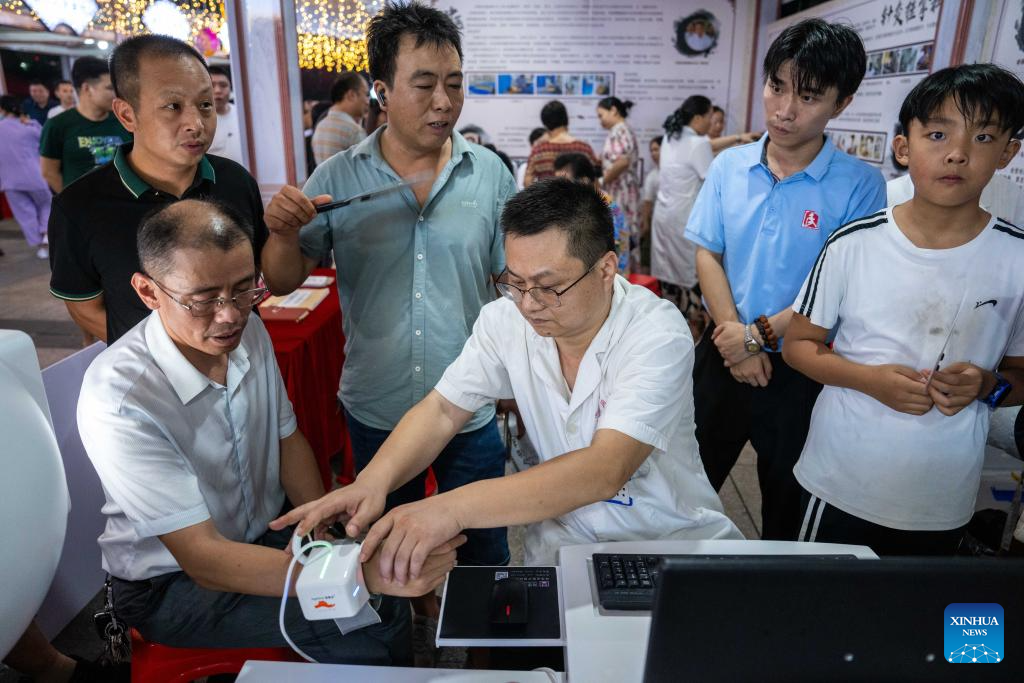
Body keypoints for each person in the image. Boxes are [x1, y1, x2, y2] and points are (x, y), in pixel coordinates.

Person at [271, 179, 742, 580]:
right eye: (514, 281)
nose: (528, 303)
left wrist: (449, 508)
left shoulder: (656, 330)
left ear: (605, 269)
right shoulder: (506, 320)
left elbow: (604, 469)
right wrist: (372, 481)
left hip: (664, 540)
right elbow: (442, 409)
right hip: (564, 538)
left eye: (548, 286)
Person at [76, 198, 459, 662]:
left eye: (244, 289)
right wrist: (357, 575)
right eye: (203, 299)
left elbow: (288, 439)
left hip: (261, 535)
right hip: (170, 584)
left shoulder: (248, 334)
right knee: (364, 615)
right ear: (148, 292)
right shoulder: (120, 398)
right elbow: (204, 560)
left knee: (376, 589)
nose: (230, 315)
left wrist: (324, 527)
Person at [259, 1, 515, 658]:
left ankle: (493, 664)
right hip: (376, 403)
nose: (444, 101)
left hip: (469, 408)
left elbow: (508, 282)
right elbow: (284, 279)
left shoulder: (489, 175)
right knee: (379, 557)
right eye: (424, 83)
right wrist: (282, 231)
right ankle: (395, 662)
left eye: (454, 82)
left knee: (485, 553)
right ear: (382, 87)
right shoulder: (339, 177)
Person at [783, 64, 1024, 555]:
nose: (957, 152)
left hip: (943, 493)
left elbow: (1017, 376)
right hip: (839, 481)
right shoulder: (854, 244)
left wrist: (987, 385)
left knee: (915, 621)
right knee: (819, 616)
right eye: (938, 134)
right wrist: (868, 379)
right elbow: (798, 345)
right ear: (903, 147)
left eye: (983, 136)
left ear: (1008, 153)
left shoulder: (1016, 259)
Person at [684, 18, 886, 540]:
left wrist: (759, 337)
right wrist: (734, 339)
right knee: (686, 487)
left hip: (802, 367)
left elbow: (837, 289)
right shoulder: (729, 167)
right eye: (777, 86)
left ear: (841, 104)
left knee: (786, 504)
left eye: (809, 96)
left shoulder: (861, 186)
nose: (784, 109)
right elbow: (709, 253)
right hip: (722, 351)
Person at [48, 35, 268, 345]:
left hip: (244, 363)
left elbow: (259, 277)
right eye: (173, 106)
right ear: (127, 114)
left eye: (205, 105)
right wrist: (168, 358)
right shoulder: (79, 207)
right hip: (156, 382)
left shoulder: (234, 180)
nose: (196, 123)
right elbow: (85, 308)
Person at [651, 96, 714, 324]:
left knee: (669, 273)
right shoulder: (699, 143)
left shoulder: (670, 137)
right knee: (690, 273)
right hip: (685, 217)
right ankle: (692, 328)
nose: (711, 122)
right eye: (709, 117)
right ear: (698, 118)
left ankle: (668, 323)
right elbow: (711, 181)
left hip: (664, 215)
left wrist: (736, 138)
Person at [39, 57, 131, 192]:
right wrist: (73, 203)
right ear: (87, 88)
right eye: (110, 88)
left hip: (124, 203)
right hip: (82, 207)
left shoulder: (124, 120)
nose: (117, 94)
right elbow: (49, 172)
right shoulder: (57, 125)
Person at [553, 152, 628, 273]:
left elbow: (612, 255)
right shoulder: (585, 201)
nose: (560, 190)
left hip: (610, 277)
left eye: (565, 184)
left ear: (584, 181)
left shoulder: (602, 206)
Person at [0, 95, 51, 259]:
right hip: (35, 175)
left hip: (9, 181)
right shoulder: (31, 126)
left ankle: (39, 245)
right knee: (46, 204)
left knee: (24, 213)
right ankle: (46, 238)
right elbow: (45, 143)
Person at [887, 167, 1024, 227]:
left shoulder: (1010, 192)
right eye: (938, 136)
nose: (956, 154)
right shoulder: (891, 193)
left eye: (981, 138)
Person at [597, 96, 640, 254]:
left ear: (613, 110)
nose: (600, 121)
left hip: (622, 191)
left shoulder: (620, 130)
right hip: (620, 189)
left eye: (601, 115)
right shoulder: (619, 131)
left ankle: (623, 274)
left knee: (621, 233)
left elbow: (622, 162)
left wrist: (601, 181)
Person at [524, 100, 599, 186]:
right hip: (579, 198)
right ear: (567, 119)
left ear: (545, 124)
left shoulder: (538, 150)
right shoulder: (584, 148)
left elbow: (527, 182)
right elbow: (595, 183)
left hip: (548, 198)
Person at [312, 71, 370, 165]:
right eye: (366, 94)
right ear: (351, 95)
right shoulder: (353, 131)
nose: (368, 101)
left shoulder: (320, 126)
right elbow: (367, 174)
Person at [207, 65, 245, 166]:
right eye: (212, 85)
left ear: (231, 88)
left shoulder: (242, 115)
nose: (218, 91)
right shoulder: (197, 120)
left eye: (223, 85)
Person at [638, 135, 661, 273]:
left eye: (657, 149)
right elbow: (647, 202)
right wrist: (646, 223)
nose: (653, 153)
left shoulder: (675, 173)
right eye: (651, 150)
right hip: (655, 220)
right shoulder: (652, 176)